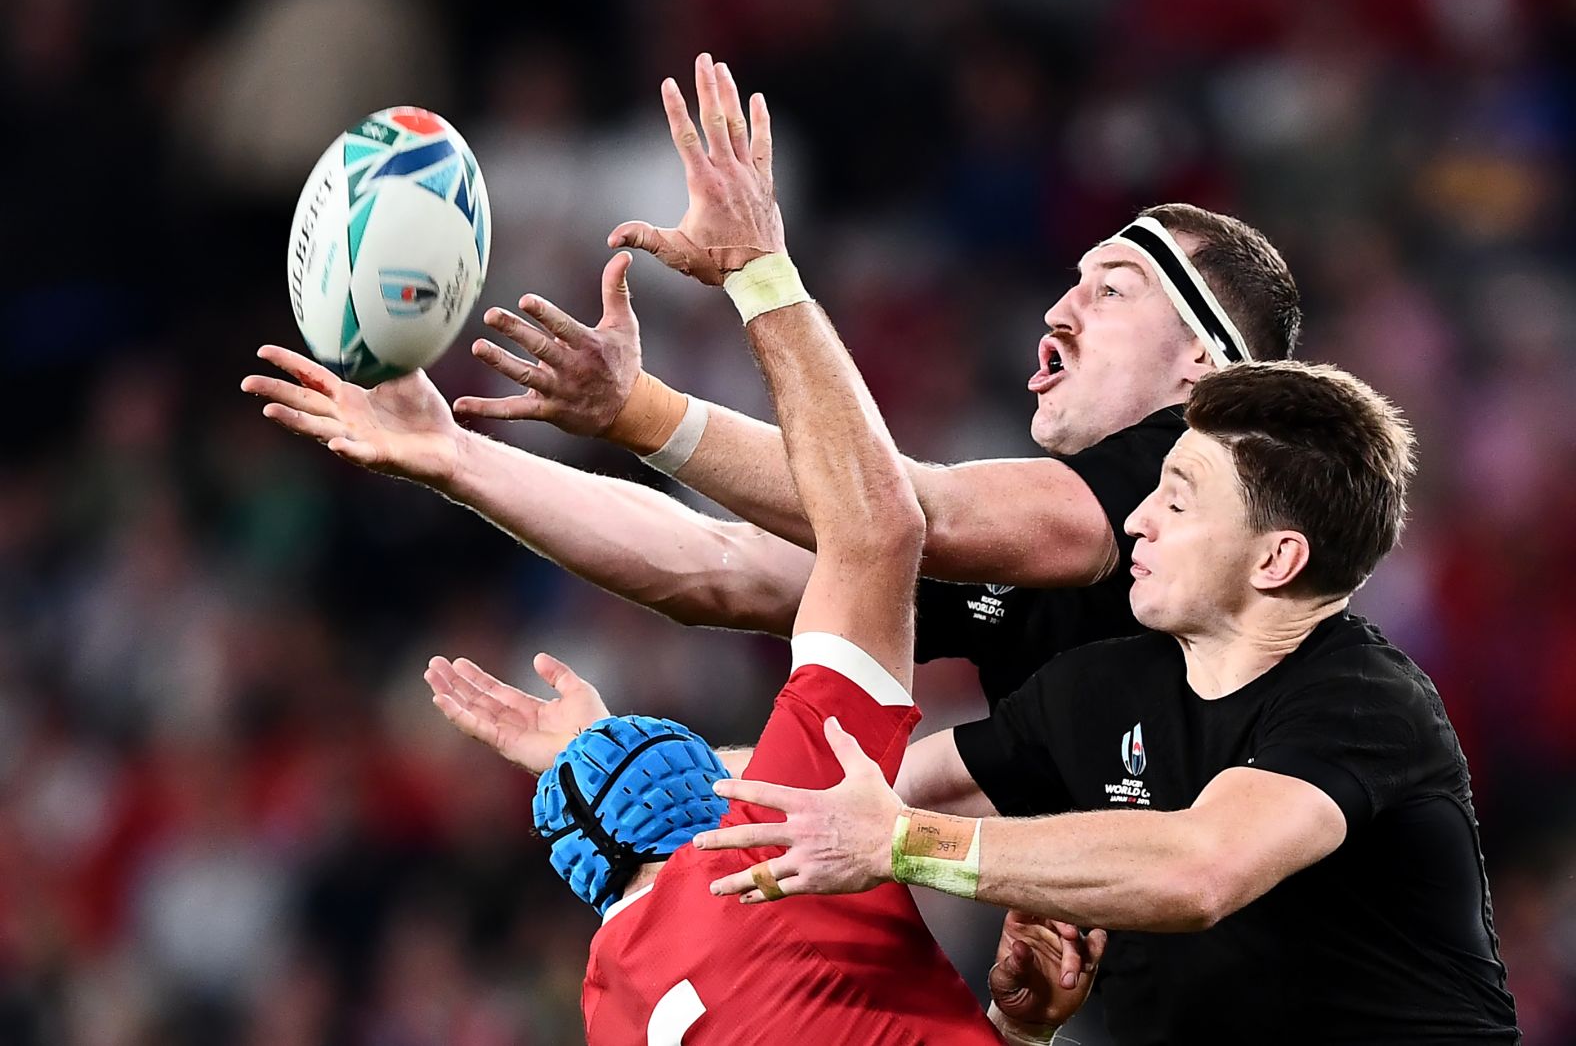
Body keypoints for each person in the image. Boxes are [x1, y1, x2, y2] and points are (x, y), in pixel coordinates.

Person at [242, 53, 1302, 705]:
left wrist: (671, 378)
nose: (1059, 307)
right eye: (1071, 279)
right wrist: (458, 460)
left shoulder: (1185, 489)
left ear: (1202, 362)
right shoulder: (1049, 567)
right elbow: (721, 567)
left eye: (1110, 287)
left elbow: (895, 508)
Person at [423, 83, 1096, 1042]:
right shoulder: (773, 849)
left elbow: (722, 563)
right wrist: (757, 268)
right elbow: (874, 530)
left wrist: (459, 460)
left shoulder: (611, 1006)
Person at [687, 360, 1521, 1044]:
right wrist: (623, 760)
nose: (1138, 520)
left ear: (1276, 560)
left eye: (1179, 498)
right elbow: (848, 790)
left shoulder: (1365, 702)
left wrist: (908, 843)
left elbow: (1199, 868)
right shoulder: (1101, 687)